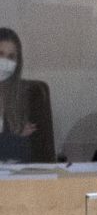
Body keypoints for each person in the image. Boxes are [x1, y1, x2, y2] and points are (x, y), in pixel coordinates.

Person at [0, 27, 54, 164]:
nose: (5, 62)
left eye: (11, 57)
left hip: (18, 179)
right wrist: (13, 136)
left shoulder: (30, 95)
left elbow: (32, 151)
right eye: (0, 54)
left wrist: (10, 138)